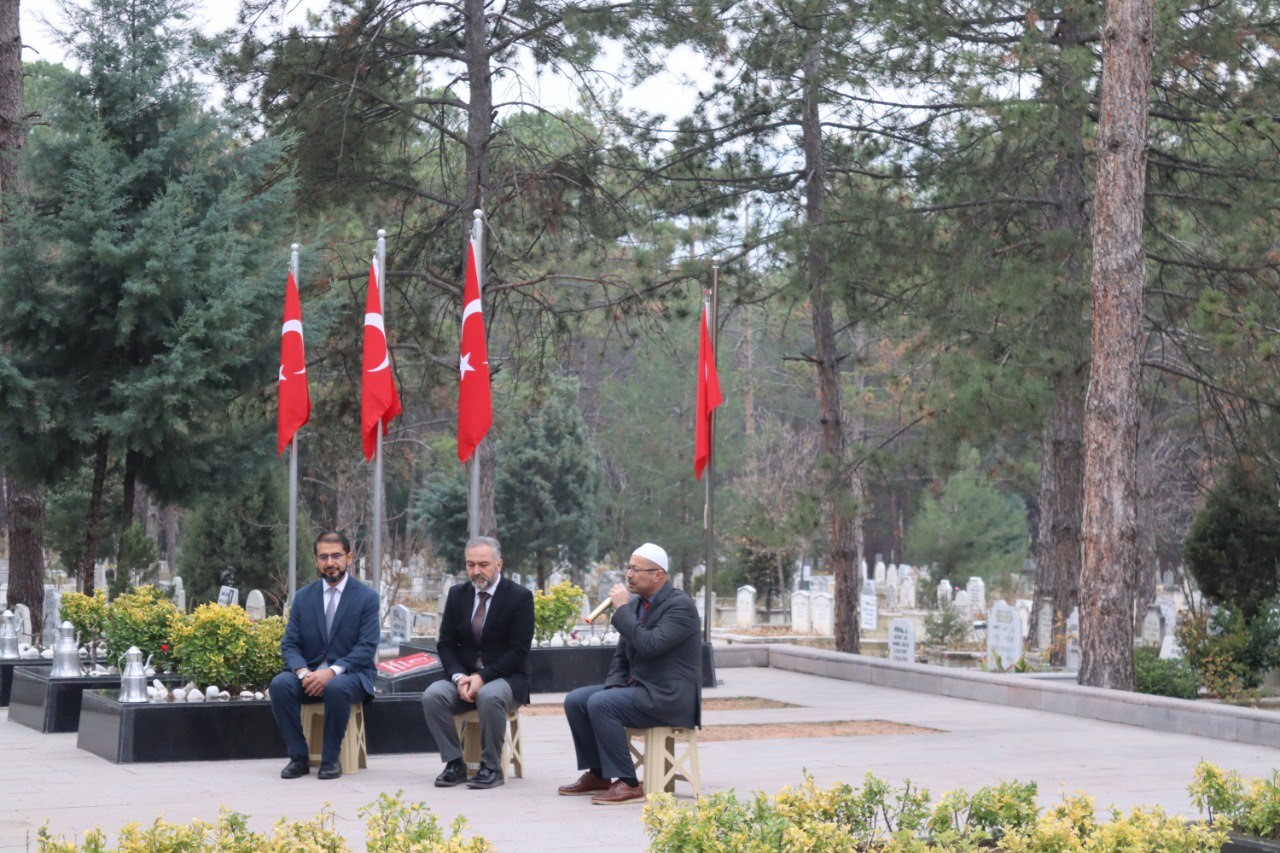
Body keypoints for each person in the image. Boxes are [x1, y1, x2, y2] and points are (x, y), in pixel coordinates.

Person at [558, 542, 701, 805]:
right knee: (577, 700)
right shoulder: (637, 606)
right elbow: (622, 657)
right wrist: (614, 686)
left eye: (636, 569)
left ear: (657, 574)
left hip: (668, 696)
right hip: (640, 690)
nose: (629, 575)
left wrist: (622, 610)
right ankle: (599, 774)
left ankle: (628, 783)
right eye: (629, 568)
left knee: (602, 703)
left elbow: (650, 645)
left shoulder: (680, 606)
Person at [422, 535, 534, 789]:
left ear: (499, 564)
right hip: (463, 676)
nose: (476, 571)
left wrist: (483, 678)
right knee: (432, 695)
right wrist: (459, 677)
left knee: (489, 696)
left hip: (507, 678)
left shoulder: (519, 597)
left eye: (483, 564)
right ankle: (454, 763)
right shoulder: (458, 595)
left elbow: (518, 651)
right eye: (470, 565)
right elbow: (446, 644)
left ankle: (492, 768)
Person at [270, 530, 380, 780]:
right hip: (308, 673)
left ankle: (331, 760)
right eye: (323, 557)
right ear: (315, 560)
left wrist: (331, 672)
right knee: (280, 684)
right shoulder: (303, 598)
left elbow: (366, 647)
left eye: (336, 556)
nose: (330, 563)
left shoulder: (366, 598)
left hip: (352, 676)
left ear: (349, 558)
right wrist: (303, 672)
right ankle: (298, 758)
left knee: (336, 687)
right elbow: (290, 644)